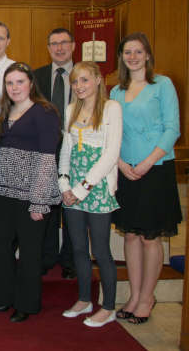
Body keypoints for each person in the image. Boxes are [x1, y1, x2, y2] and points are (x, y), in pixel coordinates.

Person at [110, 32, 181, 324]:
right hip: (126, 170)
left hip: (155, 169)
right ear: (122, 57)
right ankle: (134, 294)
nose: (133, 57)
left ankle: (147, 297)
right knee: (130, 234)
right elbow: (110, 132)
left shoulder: (162, 85)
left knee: (150, 238)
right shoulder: (115, 91)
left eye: (138, 52)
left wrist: (148, 162)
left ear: (148, 55)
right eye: (128, 52)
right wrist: (121, 163)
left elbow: (172, 128)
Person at [0, 62, 61, 323]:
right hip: (6, 194)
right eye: (10, 83)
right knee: (0, 247)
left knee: (30, 252)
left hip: (32, 195)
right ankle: (5, 297)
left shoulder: (44, 112)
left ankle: (26, 304)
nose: (15, 87)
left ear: (31, 83)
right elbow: (0, 158)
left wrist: (39, 202)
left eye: (20, 81)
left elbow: (46, 159)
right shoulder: (5, 112)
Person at [58, 62, 122, 327]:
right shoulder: (71, 109)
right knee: (79, 249)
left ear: (97, 80)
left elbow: (110, 154)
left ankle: (108, 307)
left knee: (101, 251)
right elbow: (66, 149)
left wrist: (83, 188)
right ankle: (85, 299)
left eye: (84, 80)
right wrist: (64, 185)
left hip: (96, 188)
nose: (79, 86)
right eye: (75, 82)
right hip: (73, 189)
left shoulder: (111, 108)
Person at [34, 28, 76, 279]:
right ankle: (47, 256)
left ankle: (70, 259)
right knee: (48, 204)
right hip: (46, 149)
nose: (59, 48)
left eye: (64, 43)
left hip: (76, 150)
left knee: (72, 205)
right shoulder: (37, 76)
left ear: (72, 45)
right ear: (48, 48)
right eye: (54, 44)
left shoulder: (83, 75)